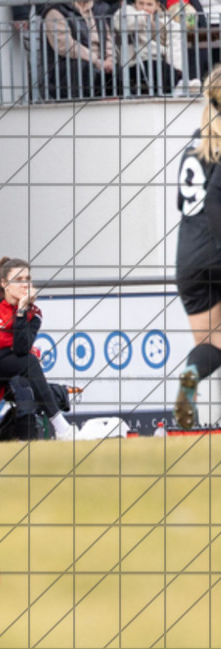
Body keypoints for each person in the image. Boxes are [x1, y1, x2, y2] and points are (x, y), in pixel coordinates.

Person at [0, 257, 77, 440]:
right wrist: (9, 348)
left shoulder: (33, 312)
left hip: (13, 369)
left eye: (28, 279)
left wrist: (21, 311)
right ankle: (61, 427)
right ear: (5, 283)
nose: (25, 285)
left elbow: (21, 348)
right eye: (19, 280)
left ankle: (26, 444)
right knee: (28, 362)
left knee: (24, 386)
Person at [174, 66, 221, 429]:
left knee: (210, 343)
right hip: (216, 250)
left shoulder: (196, 142)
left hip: (188, 258)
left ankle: (190, 378)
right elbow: (216, 205)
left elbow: (184, 204)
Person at [42, 0, 117, 99]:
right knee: (84, 67)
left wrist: (110, 60)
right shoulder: (55, 11)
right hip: (69, 71)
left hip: (98, 65)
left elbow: (108, 39)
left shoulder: (99, 9)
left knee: (120, 71)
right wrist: (97, 61)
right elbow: (66, 46)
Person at [116, 0, 185, 95]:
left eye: (149, 4)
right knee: (161, 70)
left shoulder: (167, 21)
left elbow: (175, 48)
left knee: (169, 71)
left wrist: (177, 70)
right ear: (135, 3)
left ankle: (180, 83)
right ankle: (178, 86)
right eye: (140, 3)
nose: (144, 8)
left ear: (157, 5)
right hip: (135, 63)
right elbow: (120, 22)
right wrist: (144, 18)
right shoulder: (128, 12)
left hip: (159, 62)